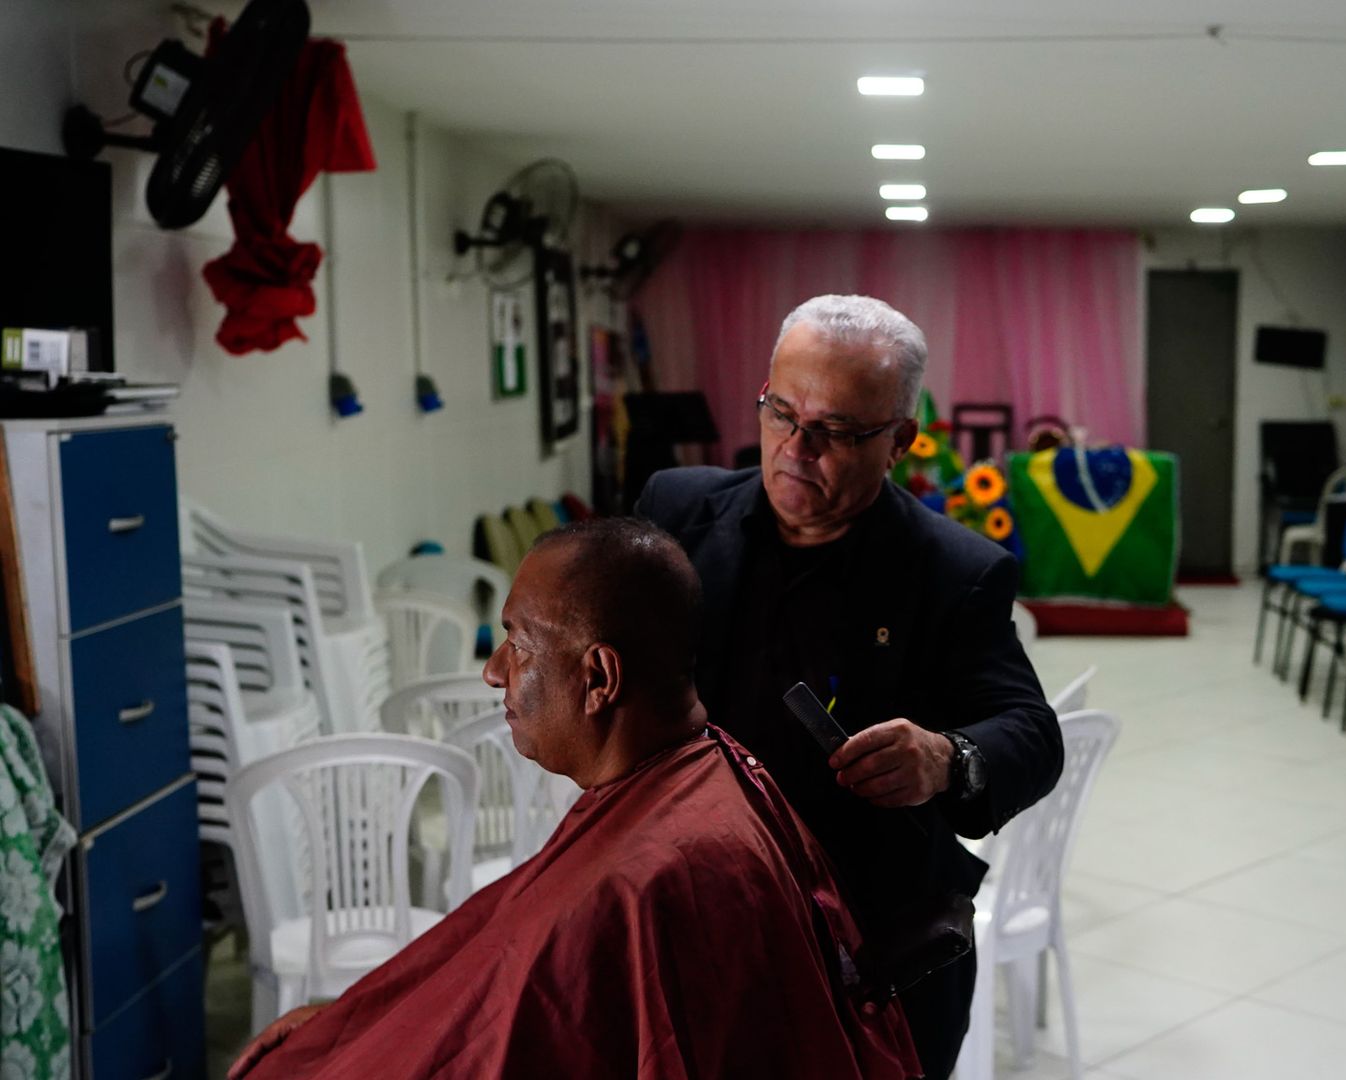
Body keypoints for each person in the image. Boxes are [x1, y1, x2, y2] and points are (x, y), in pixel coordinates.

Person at [230, 518, 920, 1080]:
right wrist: (365, 1018)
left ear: (598, 678)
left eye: (517, 642)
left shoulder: (644, 882)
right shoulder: (716, 767)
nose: (494, 671)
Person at [636, 294, 1063, 1077]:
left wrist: (945, 757)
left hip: (868, 937)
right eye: (780, 414)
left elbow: (1032, 732)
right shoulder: (676, 510)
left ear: (899, 439)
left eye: (834, 431)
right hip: (695, 913)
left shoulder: (953, 571)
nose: (796, 448)